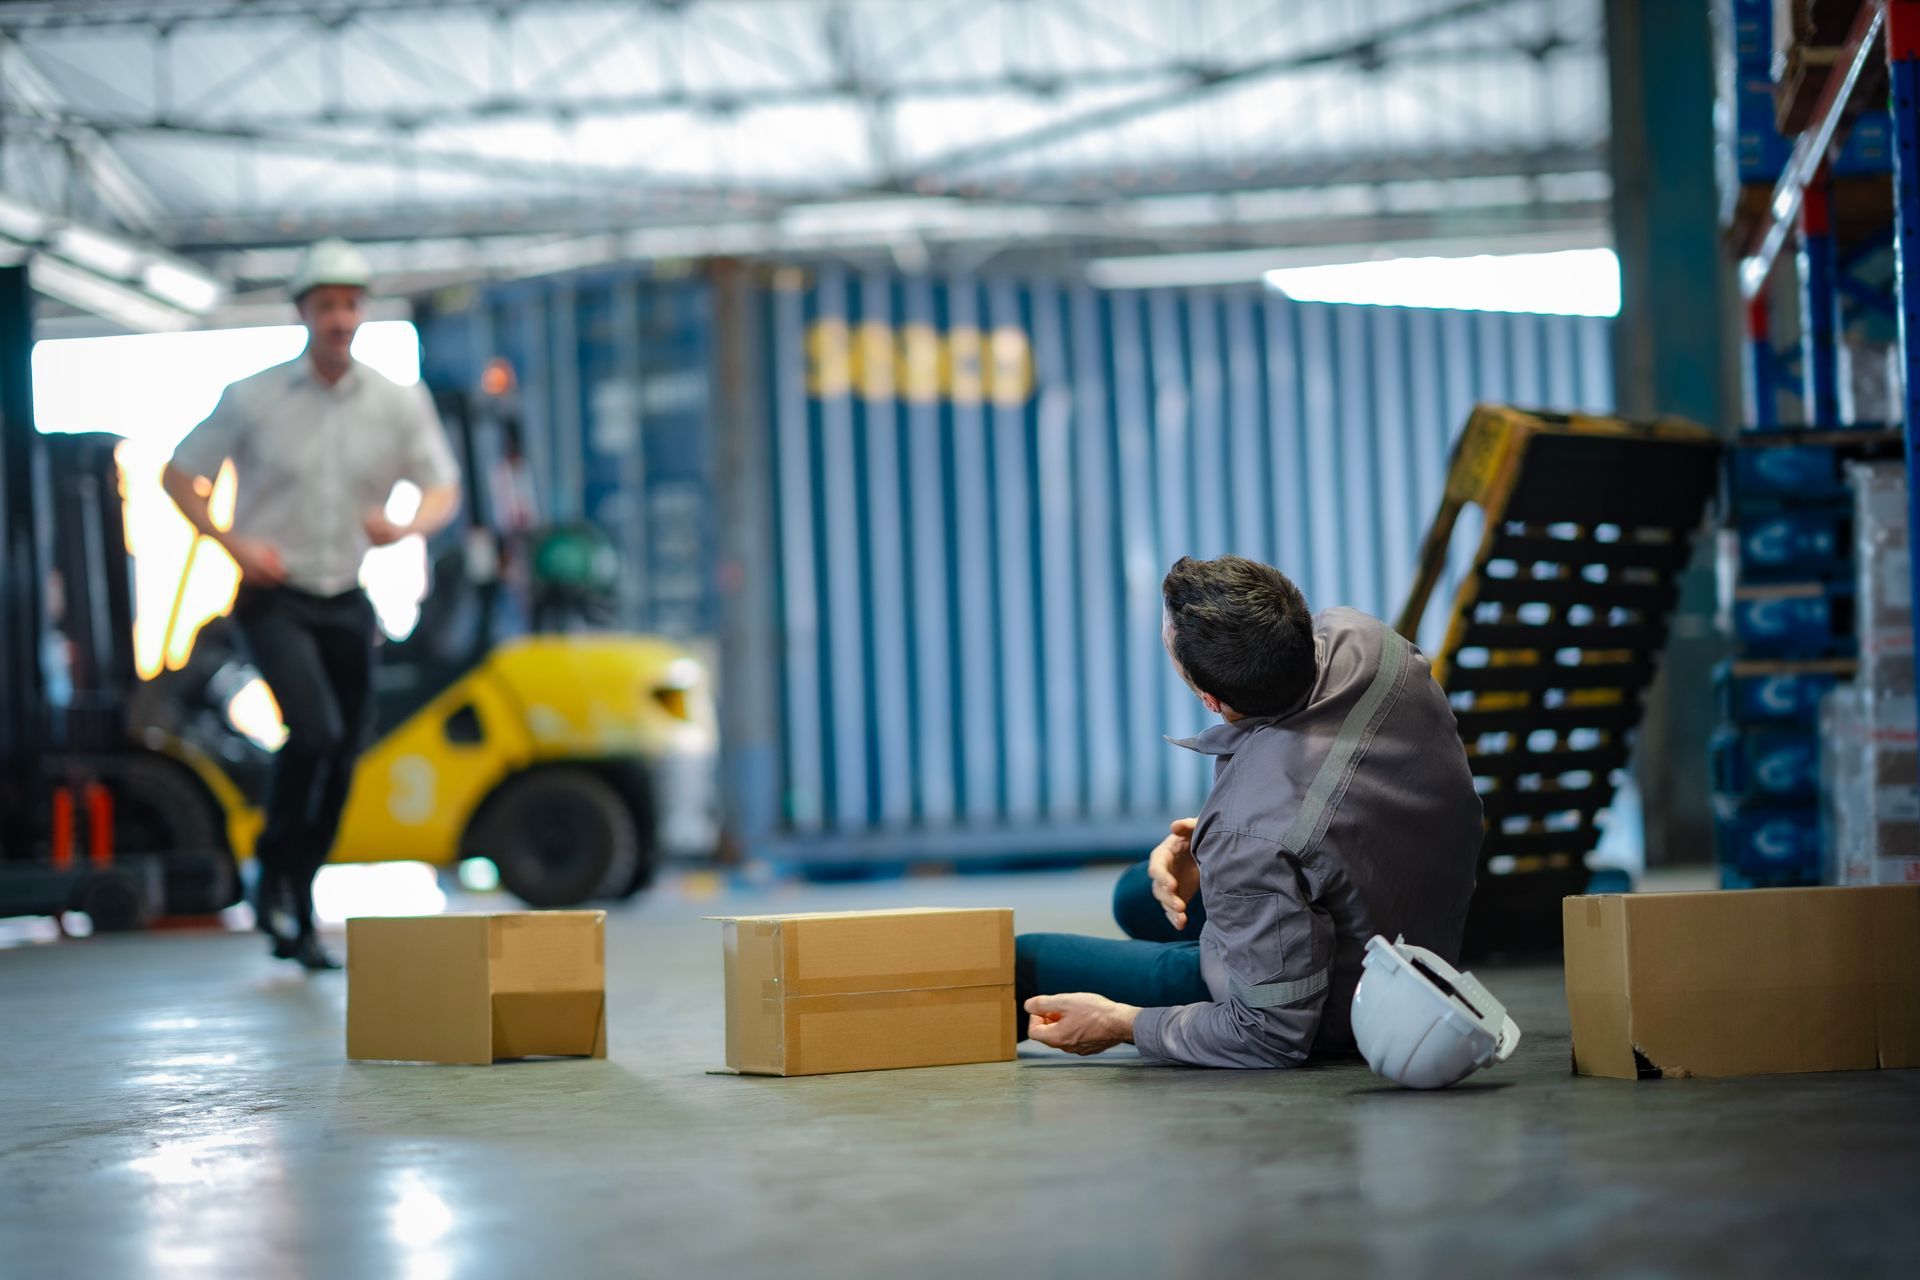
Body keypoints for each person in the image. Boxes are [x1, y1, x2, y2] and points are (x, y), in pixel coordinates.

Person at [1017, 555, 1482, 1067]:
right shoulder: (1369, 638)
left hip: (1352, 999)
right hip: (1417, 913)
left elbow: (1269, 1034)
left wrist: (1121, 1023)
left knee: (1020, 962)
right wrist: (1224, 850)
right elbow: (1340, 791)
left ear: (1209, 698)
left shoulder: (1250, 829)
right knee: (1136, 896)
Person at [162, 239, 461, 970]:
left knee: (347, 745)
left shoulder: (396, 403)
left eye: (351, 304)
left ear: (362, 314)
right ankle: (275, 873)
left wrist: (406, 526)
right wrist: (231, 543)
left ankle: (295, 885)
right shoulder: (253, 398)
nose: (339, 317)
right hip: (275, 596)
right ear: (303, 312)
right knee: (317, 729)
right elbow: (180, 476)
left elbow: (441, 488)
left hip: (347, 598)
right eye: (325, 304)